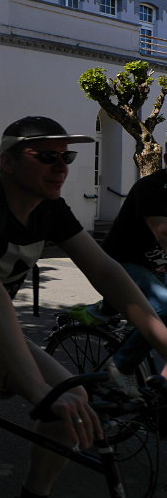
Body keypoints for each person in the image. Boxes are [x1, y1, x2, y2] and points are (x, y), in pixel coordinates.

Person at [0, 116, 167, 498]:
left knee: (71, 402)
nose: (61, 166)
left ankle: (34, 494)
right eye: (45, 156)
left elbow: (105, 270)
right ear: (7, 160)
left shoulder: (49, 208)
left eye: (66, 157)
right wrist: (37, 390)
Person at [101, 153, 167, 386]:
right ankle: (121, 365)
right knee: (165, 307)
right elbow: (163, 233)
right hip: (121, 264)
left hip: (155, 266)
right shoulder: (151, 188)